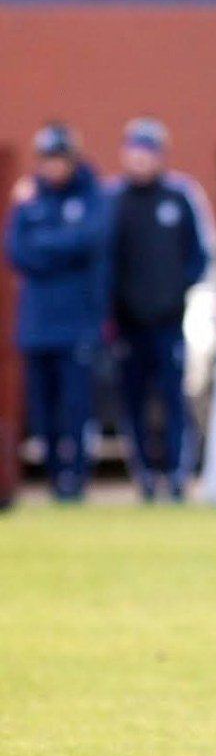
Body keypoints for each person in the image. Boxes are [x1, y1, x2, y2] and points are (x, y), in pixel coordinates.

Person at [4, 122, 107, 501]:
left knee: (76, 406)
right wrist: (59, 245)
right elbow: (16, 250)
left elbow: (88, 241)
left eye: (59, 159)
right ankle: (52, 476)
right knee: (42, 409)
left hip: (77, 321)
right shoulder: (28, 198)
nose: (53, 167)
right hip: (36, 323)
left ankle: (75, 479)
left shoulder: (92, 195)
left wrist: (45, 245)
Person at [108, 117, 209, 501]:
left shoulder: (179, 197)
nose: (139, 161)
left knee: (172, 397)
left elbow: (198, 256)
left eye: (146, 153)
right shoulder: (113, 201)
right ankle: (145, 477)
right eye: (133, 153)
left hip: (168, 320)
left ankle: (177, 475)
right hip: (127, 322)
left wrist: (173, 293)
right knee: (132, 398)